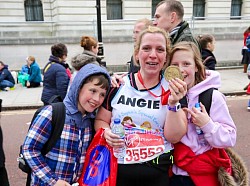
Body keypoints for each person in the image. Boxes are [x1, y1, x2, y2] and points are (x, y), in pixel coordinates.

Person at [94, 26, 188, 186]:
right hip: (117, 170)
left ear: (166, 57)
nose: (153, 55)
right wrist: (106, 132)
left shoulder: (174, 88)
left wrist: (173, 103)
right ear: (137, 54)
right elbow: (101, 120)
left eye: (160, 49)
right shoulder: (118, 84)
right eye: (146, 48)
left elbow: (174, 137)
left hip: (158, 170)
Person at [22, 64, 111, 185]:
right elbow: (29, 149)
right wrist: (53, 181)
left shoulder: (91, 121)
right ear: (79, 87)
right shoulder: (52, 113)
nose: (96, 99)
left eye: (102, 94)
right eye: (93, 91)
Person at [167, 41, 237, 186]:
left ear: (197, 67)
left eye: (186, 64)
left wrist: (207, 125)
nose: (180, 70)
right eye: (175, 65)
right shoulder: (167, 96)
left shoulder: (212, 97)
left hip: (204, 177)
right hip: (174, 174)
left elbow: (230, 138)